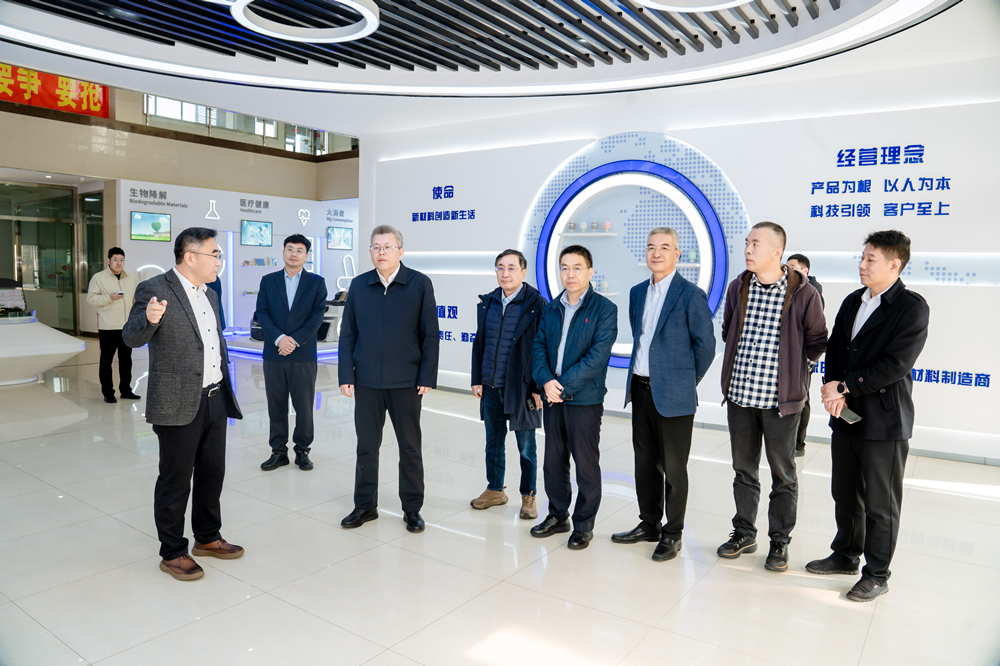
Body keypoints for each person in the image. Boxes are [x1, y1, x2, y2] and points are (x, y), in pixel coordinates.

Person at [807, 231, 929, 602]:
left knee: (880, 502)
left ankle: (876, 573)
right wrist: (831, 389)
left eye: (870, 259)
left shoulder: (911, 308)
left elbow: (895, 364)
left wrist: (844, 387)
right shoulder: (852, 301)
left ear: (895, 264)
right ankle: (845, 555)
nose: (862, 265)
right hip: (846, 414)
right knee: (845, 492)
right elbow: (835, 352)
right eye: (862, 258)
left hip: (884, 421)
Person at [123, 228, 243, 581]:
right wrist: (149, 320)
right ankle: (173, 551)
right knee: (176, 480)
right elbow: (130, 336)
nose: (219, 261)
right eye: (215, 254)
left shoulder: (212, 294)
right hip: (177, 401)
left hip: (215, 397)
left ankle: (207, 536)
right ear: (190, 257)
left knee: (212, 472)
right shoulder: (155, 289)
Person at [717, 222, 827, 572]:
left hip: (782, 403)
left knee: (783, 474)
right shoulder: (738, 286)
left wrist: (795, 371)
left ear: (777, 252)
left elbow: (817, 341)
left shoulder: (804, 293)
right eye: (746, 243)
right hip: (740, 396)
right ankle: (744, 533)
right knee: (743, 470)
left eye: (756, 244)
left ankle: (779, 542)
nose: (747, 250)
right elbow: (728, 330)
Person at [611, 228, 716, 562]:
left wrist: (685, 380)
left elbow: (706, 346)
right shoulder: (637, 292)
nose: (656, 253)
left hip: (674, 395)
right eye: (651, 247)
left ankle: (673, 534)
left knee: (674, 468)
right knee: (644, 464)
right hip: (640, 389)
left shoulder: (691, 294)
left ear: (677, 254)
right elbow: (641, 337)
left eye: (665, 248)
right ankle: (649, 524)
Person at [338, 225, 439, 533]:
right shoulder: (359, 285)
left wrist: (427, 375)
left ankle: (412, 508)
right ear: (370, 252)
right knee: (366, 446)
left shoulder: (419, 284)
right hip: (367, 380)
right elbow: (348, 334)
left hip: (406, 381)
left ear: (400, 251)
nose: (381, 252)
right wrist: (345, 374)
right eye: (376, 247)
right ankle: (365, 505)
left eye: (387, 247)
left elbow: (430, 335)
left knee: (410, 447)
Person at [530, 245, 617, 551]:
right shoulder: (551, 308)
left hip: (584, 400)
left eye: (577, 267)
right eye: (565, 267)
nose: (570, 274)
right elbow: (538, 347)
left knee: (585, 464)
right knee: (553, 462)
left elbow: (596, 358)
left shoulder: (605, 309)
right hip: (552, 397)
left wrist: (560, 386)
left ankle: (583, 525)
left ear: (590, 272)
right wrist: (545, 381)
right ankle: (557, 516)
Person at [470, 249, 545, 519]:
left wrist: (538, 388)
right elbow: (480, 343)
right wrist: (477, 378)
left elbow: (543, 349)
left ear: (523, 272)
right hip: (491, 386)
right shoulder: (488, 302)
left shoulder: (537, 304)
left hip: (522, 389)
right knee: (493, 442)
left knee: (526, 447)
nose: (505, 273)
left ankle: (529, 495)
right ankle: (495, 490)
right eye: (500, 267)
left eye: (512, 268)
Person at [256, 234, 329, 472]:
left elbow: (317, 316)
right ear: (283, 252)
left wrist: (294, 340)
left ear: (306, 255)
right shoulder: (268, 281)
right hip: (274, 352)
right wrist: (280, 338)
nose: (294, 254)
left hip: (303, 354)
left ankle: (302, 451)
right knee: (275, 404)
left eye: (299, 250)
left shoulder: (316, 283)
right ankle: (278, 452)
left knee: (304, 406)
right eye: (290, 249)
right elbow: (262, 313)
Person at [87, 247, 139, 403]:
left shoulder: (131, 279)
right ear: (108, 260)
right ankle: (108, 393)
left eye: (121, 260)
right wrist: (109, 298)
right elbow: (91, 299)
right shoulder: (99, 278)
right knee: (106, 361)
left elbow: (135, 300)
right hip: (108, 327)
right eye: (115, 260)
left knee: (126, 360)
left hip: (127, 327)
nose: (119, 263)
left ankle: (126, 390)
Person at [786, 253, 825, 457]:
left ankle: (798, 444)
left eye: (793, 267)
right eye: (786, 267)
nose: (788, 271)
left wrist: (808, 361)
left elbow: (815, 333)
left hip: (802, 356)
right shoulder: (791, 287)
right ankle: (791, 441)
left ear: (805, 270)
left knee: (802, 398)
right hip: (790, 355)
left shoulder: (812, 291)